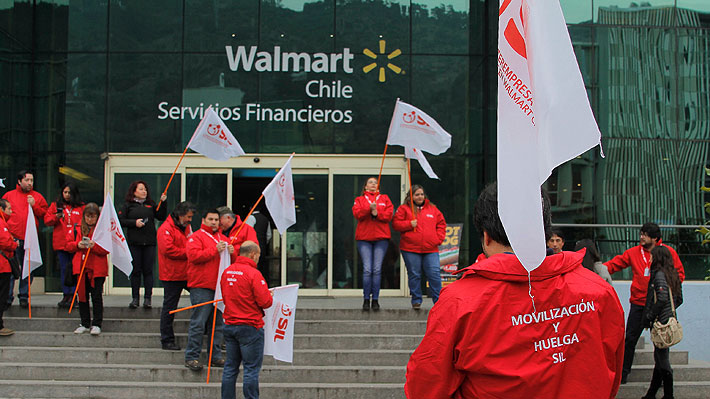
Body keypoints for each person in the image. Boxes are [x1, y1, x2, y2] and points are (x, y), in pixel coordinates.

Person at [405, 183, 625, 399]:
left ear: (486, 236)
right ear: (545, 229)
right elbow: (611, 372)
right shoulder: (598, 291)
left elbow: (425, 386)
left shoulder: (460, 301)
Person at [604, 222, 685, 384]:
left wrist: (669, 299)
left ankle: (661, 378)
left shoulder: (667, 253)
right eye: (641, 233)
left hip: (659, 306)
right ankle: (623, 374)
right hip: (638, 304)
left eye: (645, 235)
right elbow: (613, 265)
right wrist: (596, 270)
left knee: (661, 344)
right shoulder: (633, 252)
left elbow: (680, 275)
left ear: (655, 238)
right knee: (630, 339)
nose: (641, 237)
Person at [220, 241, 273, 399]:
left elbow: (224, 296)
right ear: (253, 254)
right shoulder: (254, 274)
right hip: (250, 325)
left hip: (230, 324)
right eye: (258, 256)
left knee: (230, 368)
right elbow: (266, 302)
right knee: (251, 370)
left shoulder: (227, 272)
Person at [184, 208, 235, 371]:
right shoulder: (195, 237)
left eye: (216, 220)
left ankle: (215, 356)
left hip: (219, 287)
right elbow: (194, 257)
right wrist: (215, 250)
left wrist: (232, 253)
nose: (214, 222)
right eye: (210, 219)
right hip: (201, 286)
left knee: (217, 324)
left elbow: (230, 262)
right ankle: (192, 357)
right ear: (204, 220)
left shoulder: (223, 238)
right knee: (198, 323)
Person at [392, 184, 446, 309]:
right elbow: (396, 224)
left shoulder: (433, 209)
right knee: (414, 274)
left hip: (431, 248)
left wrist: (438, 238)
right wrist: (409, 224)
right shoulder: (404, 209)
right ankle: (416, 299)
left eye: (421, 194)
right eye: (417, 194)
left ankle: (439, 302)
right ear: (411, 197)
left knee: (434, 273)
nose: (420, 197)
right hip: (410, 248)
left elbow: (441, 224)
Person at [641, 245, 683, 399]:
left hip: (661, 324)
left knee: (662, 360)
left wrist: (651, 316)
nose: (649, 258)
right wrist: (669, 313)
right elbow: (679, 299)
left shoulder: (659, 275)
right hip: (669, 320)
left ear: (657, 257)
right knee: (659, 357)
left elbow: (662, 298)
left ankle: (668, 395)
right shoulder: (672, 274)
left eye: (651, 256)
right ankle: (651, 393)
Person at [118, 180, 167, 309]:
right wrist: (134, 223)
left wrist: (163, 202)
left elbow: (161, 216)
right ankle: (135, 298)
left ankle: (147, 299)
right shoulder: (128, 205)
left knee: (148, 271)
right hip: (135, 242)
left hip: (149, 242)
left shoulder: (150, 204)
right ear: (134, 191)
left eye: (145, 189)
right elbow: (121, 221)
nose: (144, 191)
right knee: (135, 271)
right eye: (141, 189)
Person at [2, 170, 48, 308]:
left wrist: (35, 205)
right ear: (19, 181)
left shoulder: (37, 197)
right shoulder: (9, 195)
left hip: (29, 239)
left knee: (27, 269)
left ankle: (23, 295)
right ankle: (7, 297)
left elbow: (45, 215)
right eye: (27, 180)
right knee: (10, 269)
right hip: (13, 238)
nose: (30, 183)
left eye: (32, 180)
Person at [157, 201, 196, 351]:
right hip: (172, 274)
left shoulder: (186, 227)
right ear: (180, 215)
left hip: (187, 272)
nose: (190, 220)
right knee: (169, 307)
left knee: (202, 300)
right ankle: (166, 339)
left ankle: (206, 330)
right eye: (188, 216)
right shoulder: (165, 229)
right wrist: (189, 253)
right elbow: (168, 250)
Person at [65, 203, 108, 335]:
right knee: (82, 296)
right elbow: (67, 245)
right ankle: (84, 322)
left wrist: (93, 246)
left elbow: (106, 249)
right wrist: (77, 245)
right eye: (88, 216)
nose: (90, 219)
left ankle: (96, 323)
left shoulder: (102, 230)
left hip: (96, 268)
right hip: (81, 267)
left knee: (96, 296)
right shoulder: (76, 228)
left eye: (93, 216)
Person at [351, 176, 393, 311]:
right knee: (367, 269)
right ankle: (365, 299)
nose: (373, 184)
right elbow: (357, 214)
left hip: (381, 238)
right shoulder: (360, 200)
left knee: (376, 269)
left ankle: (375, 299)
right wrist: (368, 209)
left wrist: (377, 212)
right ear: (365, 187)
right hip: (364, 239)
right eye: (370, 182)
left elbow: (388, 215)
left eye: (376, 183)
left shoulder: (384, 198)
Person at [44, 182, 85, 308]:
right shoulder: (56, 206)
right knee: (64, 269)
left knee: (75, 270)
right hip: (61, 243)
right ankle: (66, 294)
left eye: (69, 192)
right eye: (65, 192)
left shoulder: (81, 207)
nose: (67, 195)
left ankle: (74, 295)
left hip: (75, 243)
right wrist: (56, 217)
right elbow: (47, 221)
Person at [0, 199, 18, 336]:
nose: (11, 211)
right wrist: (14, 244)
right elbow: (5, 241)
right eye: (9, 209)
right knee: (2, 296)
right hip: (2, 265)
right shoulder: (1, 223)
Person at [245, 205, 273, 285]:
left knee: (251, 268)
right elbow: (269, 235)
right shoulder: (265, 219)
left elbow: (247, 232)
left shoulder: (251, 218)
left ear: (250, 209)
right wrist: (263, 243)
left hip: (251, 248)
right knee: (261, 267)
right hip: (262, 247)